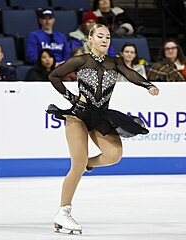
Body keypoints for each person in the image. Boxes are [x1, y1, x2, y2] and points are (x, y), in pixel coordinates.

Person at [46, 24, 159, 234]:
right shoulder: (81, 60)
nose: (105, 40)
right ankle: (64, 211)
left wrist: (148, 86)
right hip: (78, 115)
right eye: (100, 36)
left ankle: (85, 164)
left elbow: (131, 74)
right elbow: (54, 75)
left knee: (114, 154)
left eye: (108, 37)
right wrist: (71, 97)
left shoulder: (114, 62)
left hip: (100, 115)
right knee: (76, 164)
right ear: (90, 38)